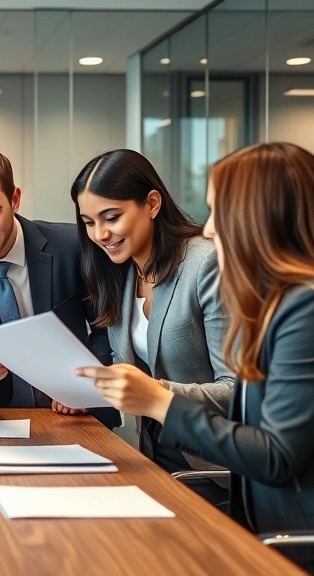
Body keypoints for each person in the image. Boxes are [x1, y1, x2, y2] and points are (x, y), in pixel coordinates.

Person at [82, 142, 314, 575]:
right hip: (286, 530)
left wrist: (158, 401)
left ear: (266, 219)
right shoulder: (283, 305)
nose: (208, 231)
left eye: (219, 214)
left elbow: (274, 456)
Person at [67, 149, 233, 506]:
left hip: (213, 468)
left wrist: (153, 392)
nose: (100, 233)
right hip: (151, 458)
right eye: (88, 222)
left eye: (111, 217)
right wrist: (90, 390)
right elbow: (127, 365)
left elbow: (238, 390)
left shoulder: (205, 264)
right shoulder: (121, 274)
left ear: (152, 203)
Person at [0, 144, 119, 428]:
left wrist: (85, 384)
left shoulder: (72, 246)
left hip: (77, 414)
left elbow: (106, 327)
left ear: (14, 199)